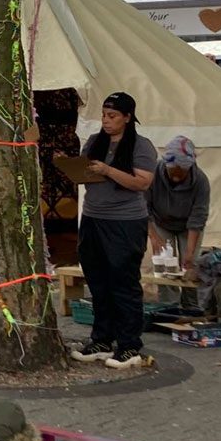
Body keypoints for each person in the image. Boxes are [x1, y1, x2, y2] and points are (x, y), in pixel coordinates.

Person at [71, 92, 157, 369]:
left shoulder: (141, 146)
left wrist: (108, 170)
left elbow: (142, 183)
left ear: (128, 118)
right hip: (94, 217)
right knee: (97, 280)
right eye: (104, 116)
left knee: (123, 281)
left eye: (113, 116)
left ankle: (130, 344)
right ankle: (102, 339)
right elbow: (84, 171)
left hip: (125, 222)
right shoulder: (95, 142)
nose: (106, 121)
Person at [148, 136, 210, 312]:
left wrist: (190, 253)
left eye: (181, 170)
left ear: (189, 166)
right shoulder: (153, 174)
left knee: (190, 264)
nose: (176, 174)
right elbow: (142, 207)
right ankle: (168, 306)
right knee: (164, 263)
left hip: (188, 226)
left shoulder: (200, 180)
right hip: (161, 221)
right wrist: (153, 237)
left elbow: (198, 217)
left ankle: (192, 306)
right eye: (172, 169)